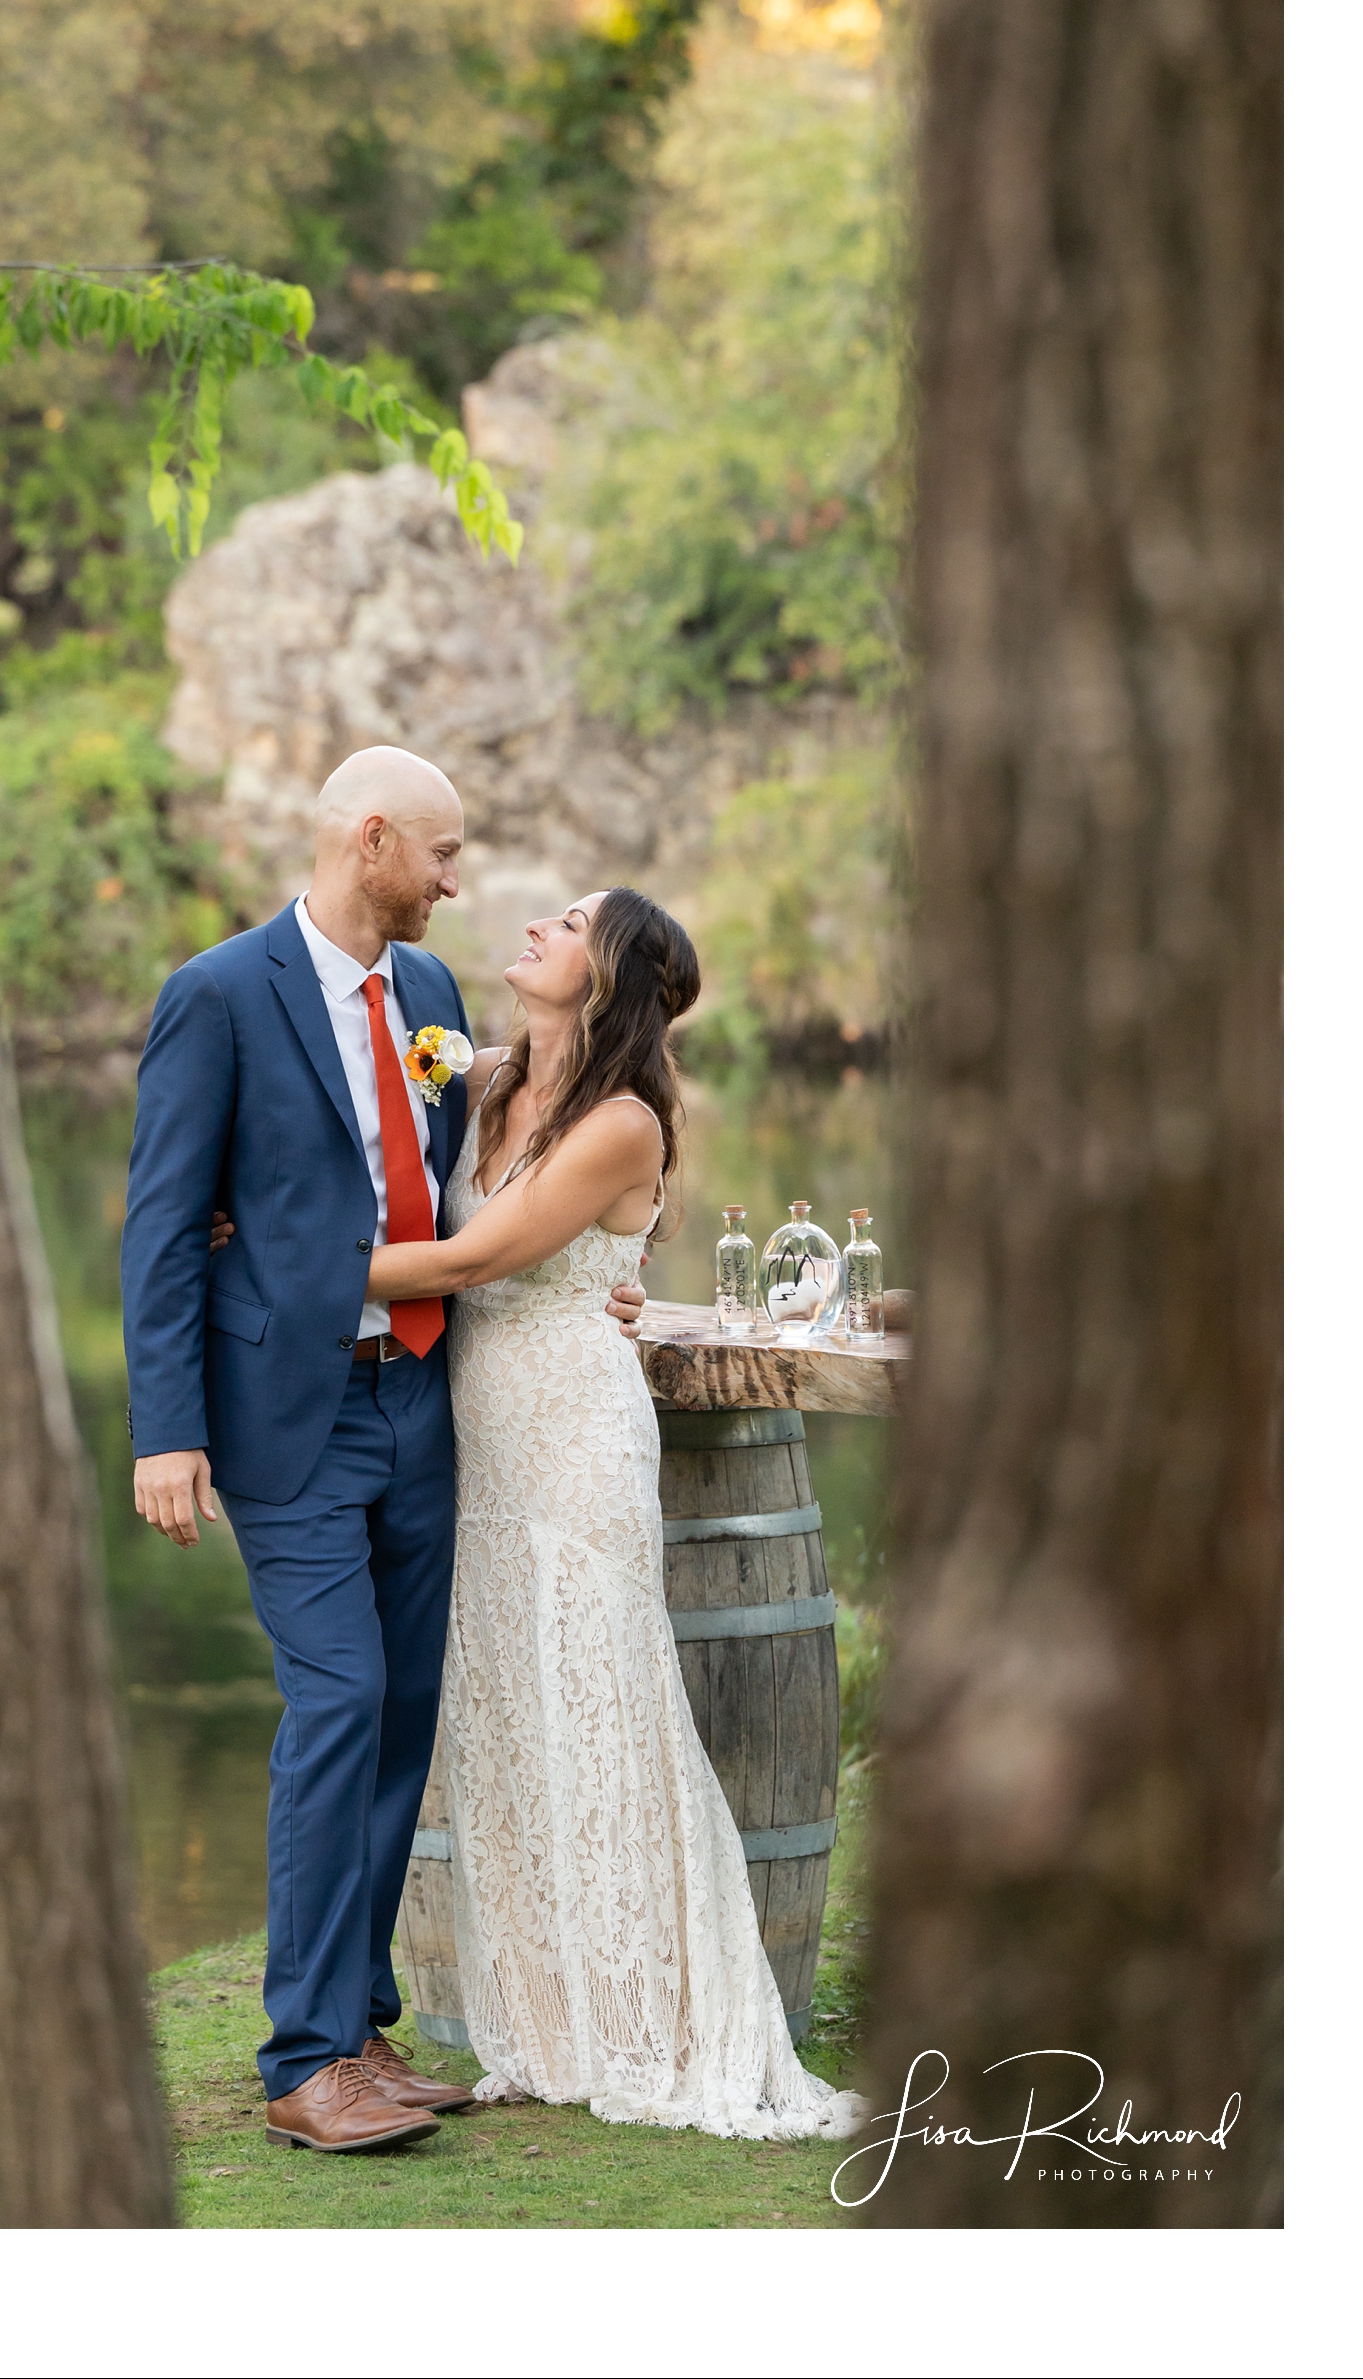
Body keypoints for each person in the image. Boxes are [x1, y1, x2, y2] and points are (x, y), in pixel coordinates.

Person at [121, 749, 648, 2155]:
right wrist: (166, 1427)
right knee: (341, 1696)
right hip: (285, 1410)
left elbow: (500, 1170)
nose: (459, 880)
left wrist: (601, 1262)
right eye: (445, 852)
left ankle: (357, 2021)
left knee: (404, 1706)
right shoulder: (218, 994)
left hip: (421, 1396)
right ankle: (302, 2061)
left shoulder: (428, 998)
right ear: (372, 842)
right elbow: (164, 1226)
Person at [363, 887, 866, 2141]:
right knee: (504, 1714)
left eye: (571, 919)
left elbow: (478, 1260)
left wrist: (277, 1258)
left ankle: (651, 2021)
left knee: (600, 1708)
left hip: (575, 1432)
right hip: (474, 1431)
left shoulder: (620, 1122)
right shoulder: (479, 1081)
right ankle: (540, 2024)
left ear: (613, 973)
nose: (537, 920)